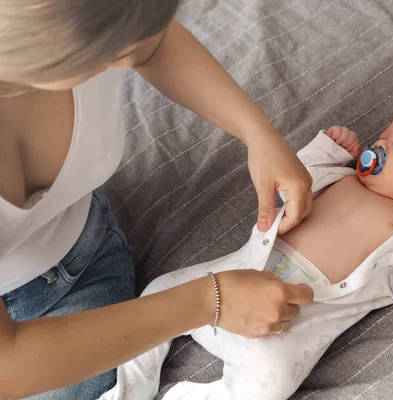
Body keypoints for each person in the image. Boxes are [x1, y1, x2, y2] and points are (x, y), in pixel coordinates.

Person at [0, 1, 315, 399]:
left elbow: (154, 43)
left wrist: (257, 134)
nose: (130, 55)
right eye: (108, 49)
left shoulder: (112, 28)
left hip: (86, 255)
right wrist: (208, 300)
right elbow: (7, 366)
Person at [100, 105, 393, 400]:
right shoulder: (341, 177)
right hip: (235, 276)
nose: (379, 145)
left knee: (272, 381)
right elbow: (292, 179)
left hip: (289, 323)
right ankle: (130, 386)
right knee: (161, 291)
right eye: (382, 136)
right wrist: (328, 149)